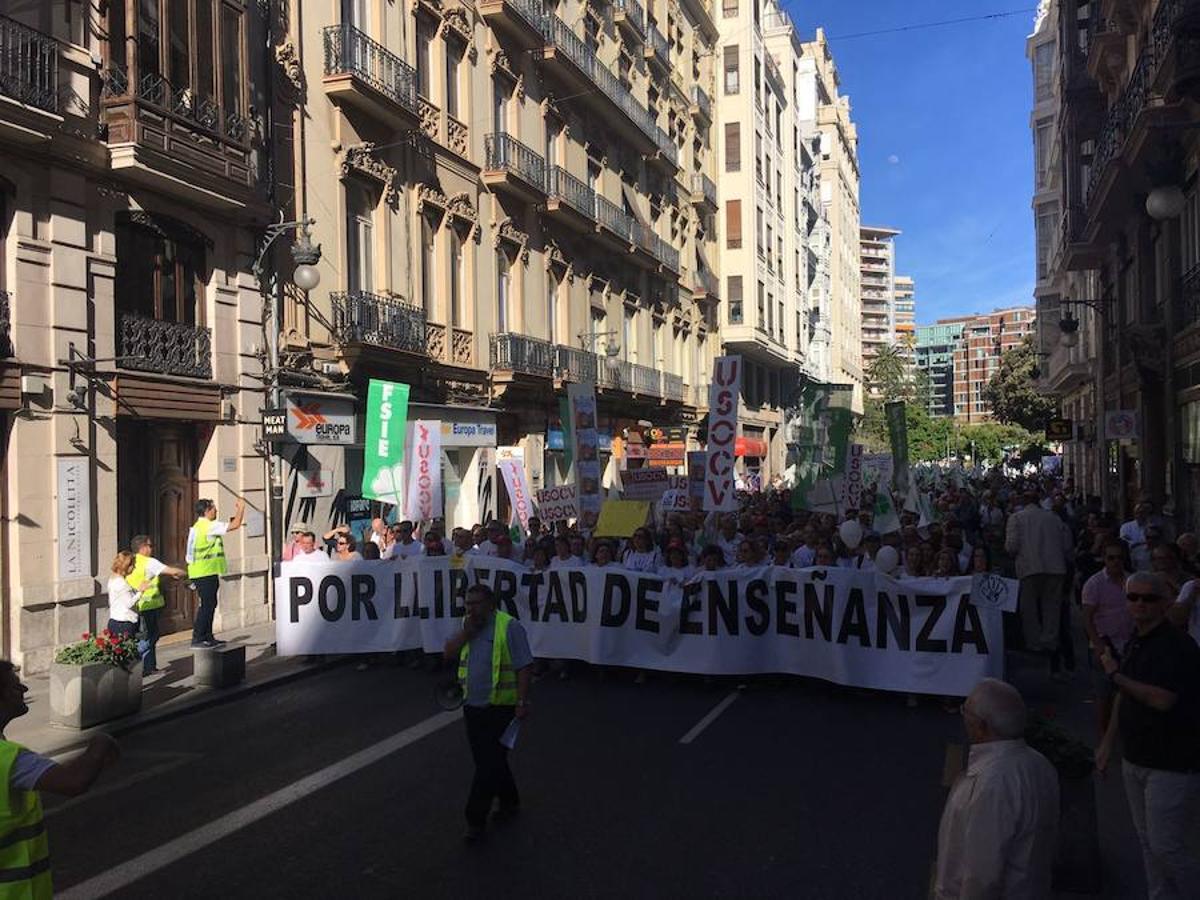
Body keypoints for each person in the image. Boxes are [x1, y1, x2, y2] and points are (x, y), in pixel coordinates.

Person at [1097, 571, 1200, 898]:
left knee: (1166, 847)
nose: (1139, 603)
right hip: (1136, 757)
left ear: (1166, 603)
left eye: (1148, 598)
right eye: (1133, 597)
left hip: (1171, 763)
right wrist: (1107, 742)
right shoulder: (1136, 640)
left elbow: (1162, 699)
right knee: (1148, 843)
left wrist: (1115, 675)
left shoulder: (1177, 646)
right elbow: (1124, 696)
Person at [0, 660, 120, 896]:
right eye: (14, 686)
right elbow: (74, 781)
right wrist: (100, 743)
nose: (24, 689)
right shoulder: (10, 759)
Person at [934, 678, 1059, 899]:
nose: (963, 717)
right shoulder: (1041, 764)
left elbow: (981, 877)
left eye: (966, 711)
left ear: (981, 727)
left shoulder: (991, 786)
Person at [443, 584, 532, 841]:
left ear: (491, 604)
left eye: (477, 603)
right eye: (468, 603)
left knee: (488, 765)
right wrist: (465, 635)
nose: (471, 608)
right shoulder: (466, 625)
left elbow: (524, 665)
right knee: (487, 760)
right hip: (473, 705)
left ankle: (475, 820)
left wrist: (522, 701)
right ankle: (510, 800)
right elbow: (448, 653)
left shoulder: (509, 626)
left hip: (502, 707)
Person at [1005, 489, 1073, 656]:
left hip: (1029, 568)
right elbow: (1067, 545)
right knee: (1052, 607)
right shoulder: (1053, 518)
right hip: (1055, 567)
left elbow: (1011, 546)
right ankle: (1050, 640)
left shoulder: (1016, 518)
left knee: (1029, 609)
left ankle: (1034, 642)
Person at [1081, 540, 1134, 736]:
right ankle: (1103, 737)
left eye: (1119, 557)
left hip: (1128, 643)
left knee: (1126, 693)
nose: (1115, 562)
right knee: (1103, 694)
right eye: (1111, 557)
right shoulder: (1094, 584)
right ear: (1104, 559)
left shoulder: (1131, 581)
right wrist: (1098, 645)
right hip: (1105, 644)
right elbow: (1087, 618)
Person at [186, 496, 245, 649]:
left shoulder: (197, 527)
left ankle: (207, 636)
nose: (216, 510)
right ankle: (198, 638)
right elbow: (235, 524)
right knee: (207, 605)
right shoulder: (209, 526)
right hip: (205, 572)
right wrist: (241, 508)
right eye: (213, 508)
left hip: (200, 572)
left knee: (209, 604)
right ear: (207, 511)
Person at [128, 535, 186, 676]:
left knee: (145, 637)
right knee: (150, 638)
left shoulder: (131, 561)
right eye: (150, 545)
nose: (152, 548)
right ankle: (129, 660)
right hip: (148, 606)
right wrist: (186, 574)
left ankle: (149, 667)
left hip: (134, 605)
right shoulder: (149, 562)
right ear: (143, 548)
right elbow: (173, 571)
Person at [107, 552, 147, 641]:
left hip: (115, 620)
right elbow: (129, 604)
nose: (134, 567)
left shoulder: (113, 579)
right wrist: (141, 592)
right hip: (124, 623)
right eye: (133, 565)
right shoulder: (121, 583)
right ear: (126, 566)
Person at [1120, 500, 1158, 573]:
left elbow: (1154, 543)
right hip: (1132, 558)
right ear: (1134, 514)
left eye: (1143, 512)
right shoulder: (1126, 527)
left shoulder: (1152, 527)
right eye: (1138, 512)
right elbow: (1127, 544)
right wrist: (1144, 543)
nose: (1140, 515)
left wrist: (1138, 543)